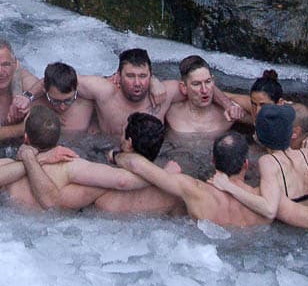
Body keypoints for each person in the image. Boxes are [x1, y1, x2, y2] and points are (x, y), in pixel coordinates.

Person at [115, 131, 276, 228]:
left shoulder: (194, 190)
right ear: (246, 164)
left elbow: (136, 164)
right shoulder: (262, 199)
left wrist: (115, 155)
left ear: (213, 160)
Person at [225, 102, 308, 231]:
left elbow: (269, 209)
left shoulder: (268, 162)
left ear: (257, 136)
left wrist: (229, 186)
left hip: (297, 232)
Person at [91, 113, 184, 217]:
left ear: (129, 144)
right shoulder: (174, 195)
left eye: (122, 133)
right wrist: (164, 174)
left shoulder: (103, 191)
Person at [76, 48, 171, 137]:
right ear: (118, 76)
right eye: (130, 76)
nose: (137, 83)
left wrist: (154, 80)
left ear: (150, 75)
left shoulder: (164, 93)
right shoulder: (104, 92)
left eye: (143, 76)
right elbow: (67, 78)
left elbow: (185, 86)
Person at [244, 68, 308, 145]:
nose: (257, 111)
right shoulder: (255, 106)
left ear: (279, 103)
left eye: (263, 105)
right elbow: (231, 97)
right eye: (253, 104)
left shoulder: (291, 117)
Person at [162, 56, 238, 136]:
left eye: (208, 82)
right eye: (196, 84)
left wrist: (230, 106)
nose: (204, 90)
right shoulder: (170, 112)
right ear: (184, 87)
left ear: (213, 80)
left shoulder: (230, 114)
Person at [39, 62, 96, 135]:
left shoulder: (89, 102)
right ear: (44, 89)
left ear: (77, 87)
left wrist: (95, 123)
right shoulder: (35, 104)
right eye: (55, 101)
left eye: (68, 100)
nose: (62, 107)